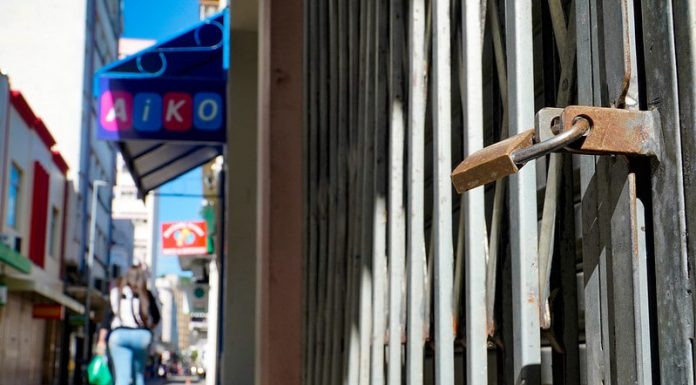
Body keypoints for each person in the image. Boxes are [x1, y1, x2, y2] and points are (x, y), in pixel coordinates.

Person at [97, 266, 160, 385]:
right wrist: (148, 330)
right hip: (142, 336)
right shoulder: (146, 294)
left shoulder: (116, 292)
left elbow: (106, 320)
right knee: (139, 375)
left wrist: (101, 341)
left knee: (122, 378)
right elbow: (156, 318)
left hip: (119, 335)